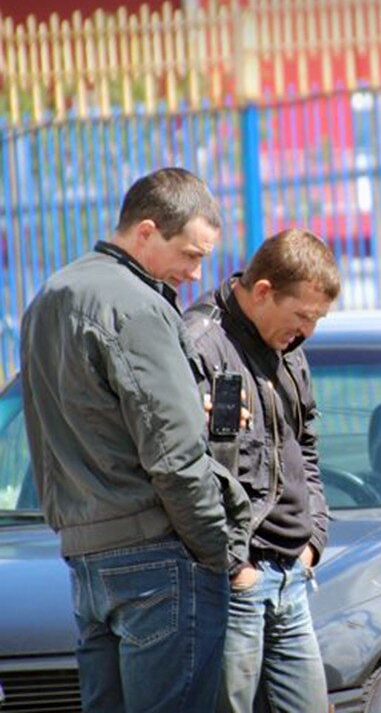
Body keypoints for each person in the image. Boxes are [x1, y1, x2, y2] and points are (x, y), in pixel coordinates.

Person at [19, 167, 250, 713]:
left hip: (87, 556)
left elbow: (85, 425)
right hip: (158, 558)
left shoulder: (50, 295)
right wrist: (217, 550)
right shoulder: (138, 307)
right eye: (191, 255)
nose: (196, 274)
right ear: (146, 231)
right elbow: (175, 457)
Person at [184, 229, 339, 713]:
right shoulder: (200, 344)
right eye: (303, 316)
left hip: (293, 573)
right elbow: (181, 468)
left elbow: (305, 446)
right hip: (238, 582)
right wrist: (236, 568)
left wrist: (314, 536)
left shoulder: (288, 347)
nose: (307, 331)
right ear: (264, 292)